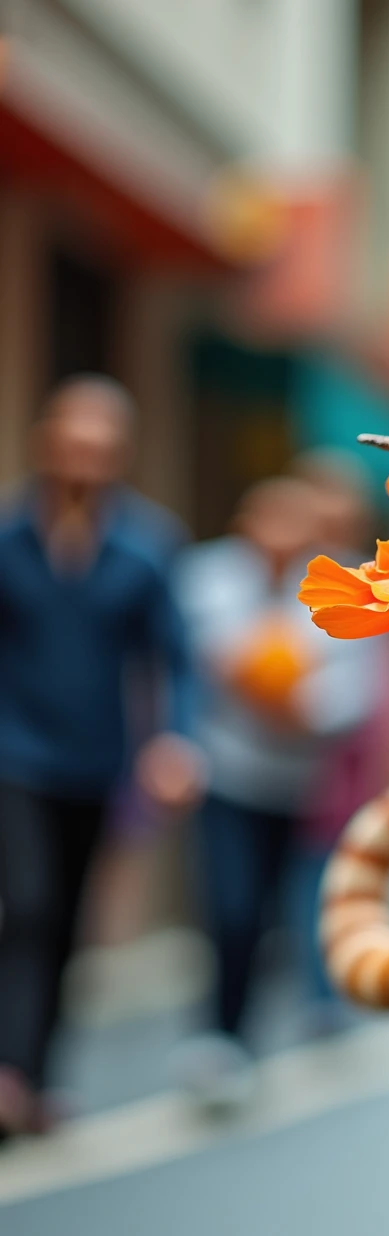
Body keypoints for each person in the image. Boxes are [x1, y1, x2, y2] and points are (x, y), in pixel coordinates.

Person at [0, 376, 200, 1138]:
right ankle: (10, 1071)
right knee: (28, 903)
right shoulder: (10, 538)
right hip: (13, 753)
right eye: (74, 441)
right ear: (47, 444)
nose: (86, 457)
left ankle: (39, 1075)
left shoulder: (146, 549)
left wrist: (173, 739)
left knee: (65, 920)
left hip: (93, 761)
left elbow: (174, 659)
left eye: (102, 445)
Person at [173, 476, 380, 1098]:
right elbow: (196, 662)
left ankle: (257, 1028)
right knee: (230, 908)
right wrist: (262, 678)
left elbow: (346, 699)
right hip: (225, 774)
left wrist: (283, 694)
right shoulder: (206, 578)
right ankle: (221, 1036)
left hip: (296, 783)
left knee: (274, 911)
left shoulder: (331, 591)